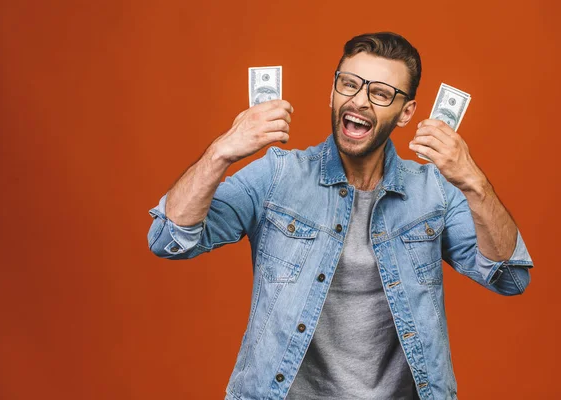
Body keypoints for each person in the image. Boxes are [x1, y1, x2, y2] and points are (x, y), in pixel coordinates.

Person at [147, 32, 534, 400]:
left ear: (406, 113)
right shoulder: (278, 175)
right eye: (349, 84)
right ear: (332, 90)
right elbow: (168, 239)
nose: (360, 101)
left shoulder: (434, 191)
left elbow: (510, 278)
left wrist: (474, 184)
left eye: (381, 93)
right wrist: (221, 153)